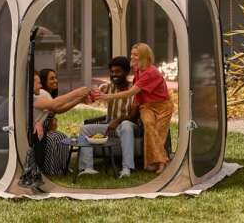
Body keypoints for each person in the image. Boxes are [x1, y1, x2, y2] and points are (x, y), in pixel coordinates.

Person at [97, 43, 173, 174]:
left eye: (135, 54)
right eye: (132, 53)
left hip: (163, 107)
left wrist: (107, 96)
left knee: (159, 134)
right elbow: (138, 93)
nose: (132, 56)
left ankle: (160, 162)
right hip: (146, 106)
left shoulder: (151, 73)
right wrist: (135, 105)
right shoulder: (138, 70)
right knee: (149, 126)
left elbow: (130, 92)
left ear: (144, 55)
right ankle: (156, 161)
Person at [78, 56, 138, 178]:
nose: (114, 74)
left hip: (128, 125)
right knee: (85, 128)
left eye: (117, 71)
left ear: (126, 72)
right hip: (110, 125)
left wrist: (118, 120)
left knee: (126, 126)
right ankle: (88, 167)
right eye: (111, 72)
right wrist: (89, 96)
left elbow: (133, 115)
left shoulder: (134, 89)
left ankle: (126, 168)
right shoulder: (108, 88)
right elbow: (94, 96)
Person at [33, 70, 90, 175]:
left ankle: (62, 168)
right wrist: (77, 93)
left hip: (44, 129)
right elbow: (55, 105)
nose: (55, 81)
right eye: (51, 78)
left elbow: (58, 109)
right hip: (38, 131)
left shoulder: (44, 94)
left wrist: (79, 100)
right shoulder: (40, 95)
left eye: (55, 77)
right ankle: (53, 170)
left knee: (60, 137)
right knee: (56, 138)